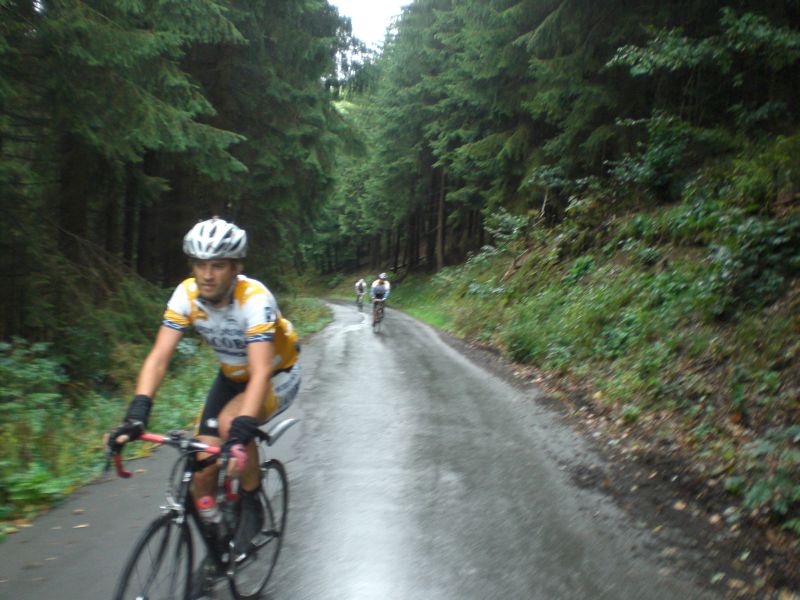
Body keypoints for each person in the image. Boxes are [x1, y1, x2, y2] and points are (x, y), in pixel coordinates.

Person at [107, 217, 300, 597]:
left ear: (235, 267)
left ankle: (251, 504)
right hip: (230, 377)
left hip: (275, 374)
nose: (206, 275)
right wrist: (137, 412)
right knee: (201, 466)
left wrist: (243, 431)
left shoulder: (253, 299)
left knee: (231, 425)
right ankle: (216, 537)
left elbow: (260, 371)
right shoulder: (186, 295)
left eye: (217, 265)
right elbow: (159, 357)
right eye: (199, 264)